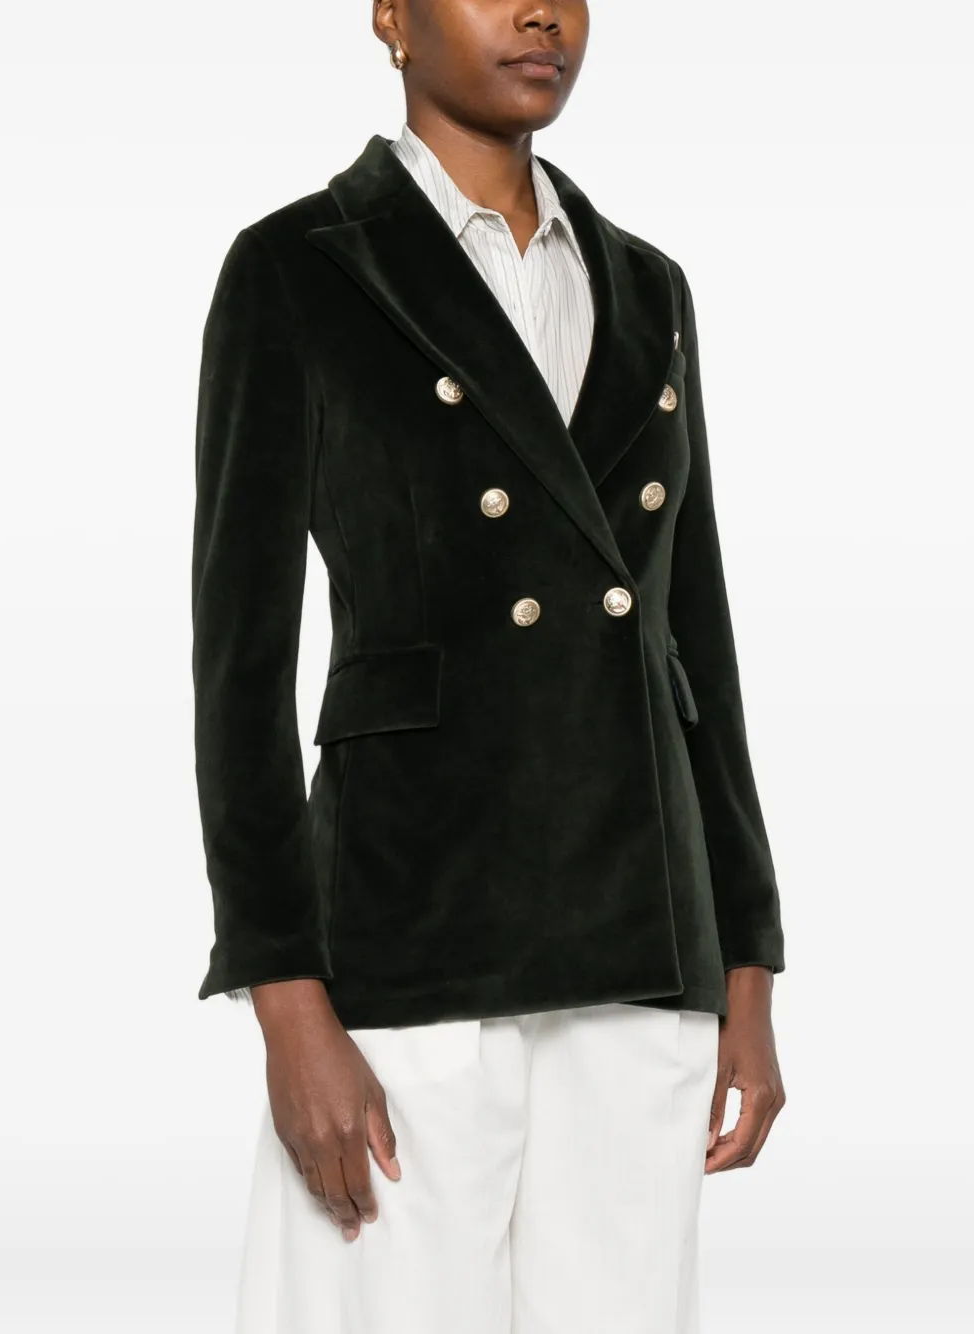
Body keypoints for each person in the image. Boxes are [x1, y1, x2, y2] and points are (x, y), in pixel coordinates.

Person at [190, 2, 787, 1330]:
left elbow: (696, 639)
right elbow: (238, 672)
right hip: (405, 935)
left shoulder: (649, 286)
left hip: (639, 927)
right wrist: (286, 999)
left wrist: (745, 958)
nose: (539, 14)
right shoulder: (299, 268)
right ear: (390, 16)